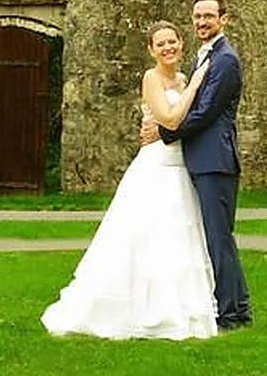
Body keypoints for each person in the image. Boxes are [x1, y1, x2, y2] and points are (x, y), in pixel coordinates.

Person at [40, 21, 219, 340]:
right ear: (151, 50)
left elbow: (194, 120)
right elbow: (169, 118)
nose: (168, 48)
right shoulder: (152, 78)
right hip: (156, 166)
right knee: (141, 236)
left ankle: (175, 312)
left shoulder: (182, 77)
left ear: (181, 44)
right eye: (160, 44)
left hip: (181, 166)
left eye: (172, 42)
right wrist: (195, 85)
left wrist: (190, 84)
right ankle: (130, 310)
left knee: (178, 240)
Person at [145, 0, 252, 331]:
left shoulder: (225, 60)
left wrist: (163, 133)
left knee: (219, 238)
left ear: (225, 19)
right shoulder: (203, 58)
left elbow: (205, 113)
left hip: (215, 160)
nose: (202, 22)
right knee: (208, 238)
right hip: (197, 160)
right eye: (197, 17)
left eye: (209, 16)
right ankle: (224, 304)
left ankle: (235, 312)